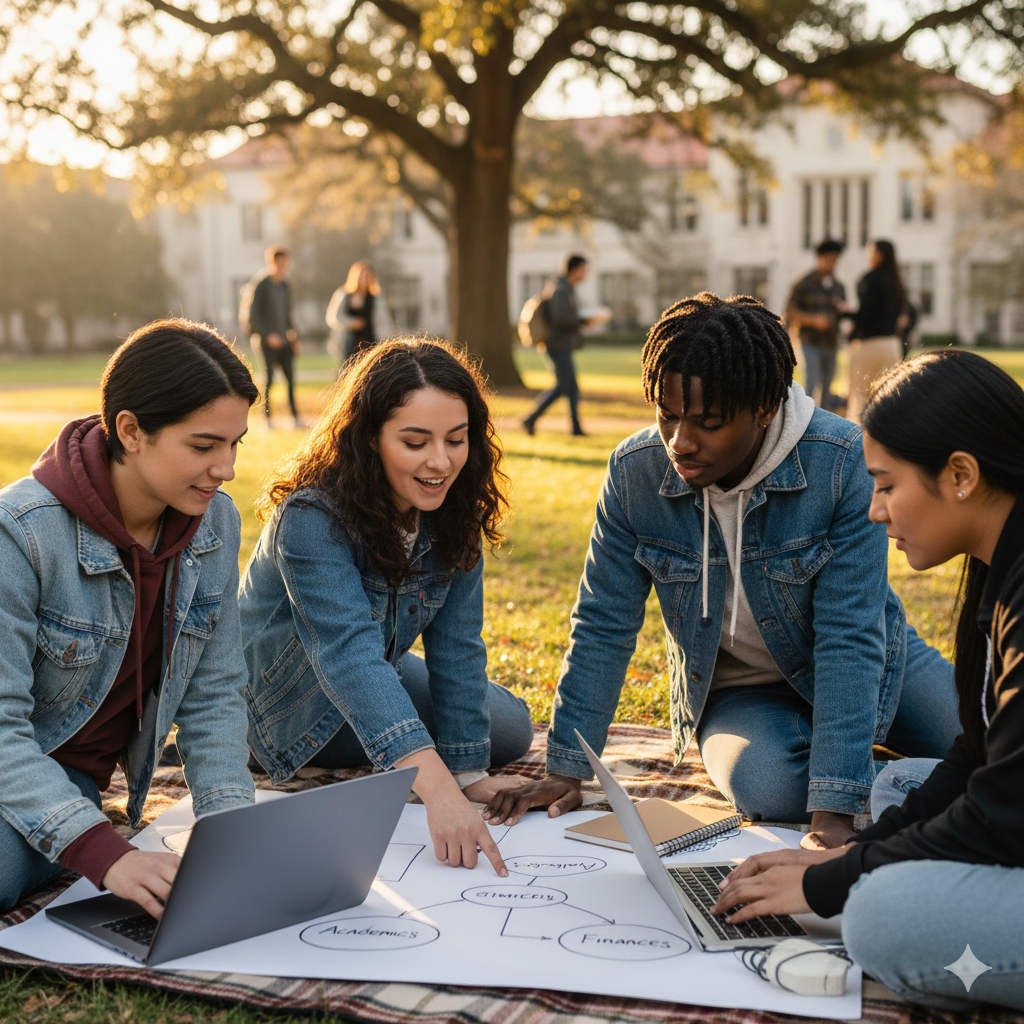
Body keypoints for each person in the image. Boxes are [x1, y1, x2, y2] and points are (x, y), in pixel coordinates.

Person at [484, 293, 958, 851]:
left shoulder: (840, 460)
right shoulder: (635, 474)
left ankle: (913, 776)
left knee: (995, 739)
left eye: (708, 422)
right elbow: (602, 624)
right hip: (740, 692)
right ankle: (941, 786)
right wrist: (566, 769)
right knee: (771, 788)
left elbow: (850, 640)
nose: (680, 441)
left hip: (877, 662)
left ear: (763, 405)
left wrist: (833, 813)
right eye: (667, 415)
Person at [712, 350, 1024, 1013]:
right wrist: (853, 854)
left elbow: (1005, 807)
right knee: (900, 784)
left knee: (881, 918)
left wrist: (840, 880)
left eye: (886, 485)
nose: (876, 511)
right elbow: (979, 750)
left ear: (961, 475)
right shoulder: (998, 561)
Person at [240, 338, 534, 877]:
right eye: (415, 442)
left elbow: (459, 648)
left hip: (374, 676)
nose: (440, 461)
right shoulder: (310, 517)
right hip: (285, 714)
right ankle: (403, 752)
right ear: (369, 438)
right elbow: (348, 656)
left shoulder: (452, 512)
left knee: (510, 729)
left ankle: (414, 750)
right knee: (434, 743)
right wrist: (439, 792)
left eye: (456, 439)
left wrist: (467, 773)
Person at [0, 318, 259, 919]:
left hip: (74, 786)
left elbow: (215, 692)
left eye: (235, 442)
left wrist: (232, 832)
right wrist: (107, 854)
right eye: (203, 446)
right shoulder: (21, 534)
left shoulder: (214, 524)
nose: (227, 467)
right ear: (131, 431)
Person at [521, 254, 598, 437]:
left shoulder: (565, 287)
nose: (586, 273)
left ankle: (574, 427)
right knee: (565, 387)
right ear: (575, 269)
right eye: (584, 269)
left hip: (560, 345)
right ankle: (531, 419)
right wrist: (583, 321)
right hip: (556, 345)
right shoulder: (561, 289)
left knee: (568, 387)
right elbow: (560, 318)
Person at [846, 239, 905, 424]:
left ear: (879, 254)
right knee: (887, 400)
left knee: (860, 401)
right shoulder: (897, 282)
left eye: (870, 251)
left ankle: (857, 447)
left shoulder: (871, 279)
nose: (868, 255)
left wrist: (846, 312)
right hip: (892, 346)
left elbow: (866, 314)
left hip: (869, 345)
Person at [785, 239, 846, 411]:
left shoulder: (839, 286)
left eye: (835, 260)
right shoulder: (803, 283)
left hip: (831, 342)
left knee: (828, 385)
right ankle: (805, 419)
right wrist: (814, 320)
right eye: (829, 259)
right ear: (819, 258)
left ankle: (824, 422)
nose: (833, 264)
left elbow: (841, 312)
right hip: (809, 340)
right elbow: (790, 310)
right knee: (812, 381)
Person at [248, 245, 302, 429]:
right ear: (271, 262)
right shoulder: (262, 285)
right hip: (266, 342)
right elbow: (253, 316)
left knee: (290, 379)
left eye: (285, 262)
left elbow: (288, 316)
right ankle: (268, 419)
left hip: (285, 342)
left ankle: (295, 418)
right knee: (269, 379)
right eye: (278, 262)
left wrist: (294, 338)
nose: (282, 266)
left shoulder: (285, 286)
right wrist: (268, 335)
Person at [326, 260, 384, 366]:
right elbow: (333, 317)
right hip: (349, 342)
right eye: (362, 276)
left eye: (367, 277)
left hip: (371, 340)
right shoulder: (344, 294)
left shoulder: (375, 298)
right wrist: (352, 323)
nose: (364, 280)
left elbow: (383, 320)